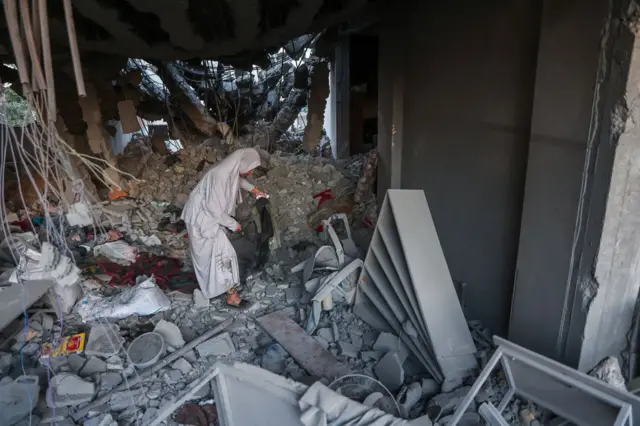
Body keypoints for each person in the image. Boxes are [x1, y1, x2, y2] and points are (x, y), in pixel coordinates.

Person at [181, 148, 267, 307]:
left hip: (208, 218)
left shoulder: (228, 169)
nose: (251, 171)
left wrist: (254, 191)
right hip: (201, 219)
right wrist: (234, 225)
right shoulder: (221, 174)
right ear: (242, 162)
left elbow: (237, 181)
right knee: (212, 257)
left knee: (220, 255)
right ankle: (224, 292)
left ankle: (229, 293)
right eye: (251, 167)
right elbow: (214, 210)